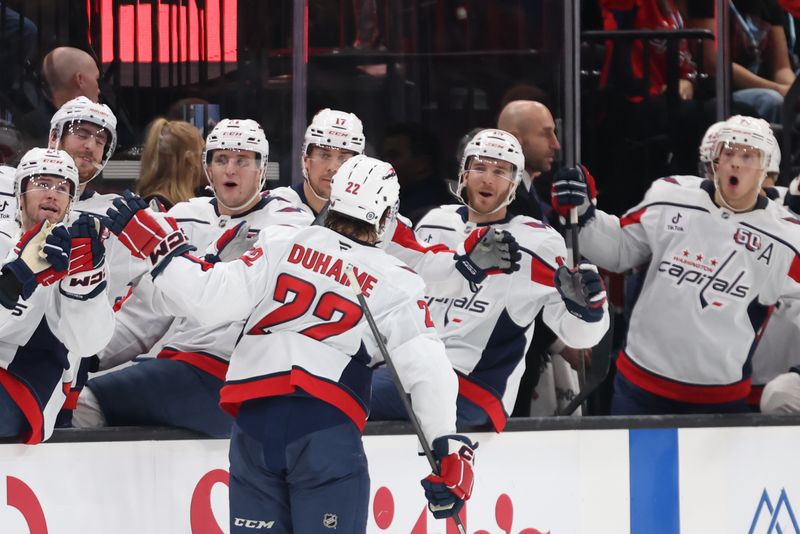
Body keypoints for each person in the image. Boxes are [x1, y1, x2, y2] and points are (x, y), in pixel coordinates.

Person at [102, 155, 477, 532]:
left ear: (334, 200)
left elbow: (209, 297)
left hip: (254, 426)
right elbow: (427, 369)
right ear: (385, 218)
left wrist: (161, 249)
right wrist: (447, 447)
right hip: (325, 428)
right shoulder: (398, 278)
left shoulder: (280, 239)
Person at [74, 119, 312, 437]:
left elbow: (221, 296)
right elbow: (148, 312)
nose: (231, 170)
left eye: (242, 161)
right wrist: (87, 356)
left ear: (262, 168)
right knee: (72, 393)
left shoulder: (289, 222)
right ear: (207, 168)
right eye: (221, 159)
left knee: (85, 403)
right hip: (183, 364)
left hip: (237, 373)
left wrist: (184, 256)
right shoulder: (185, 216)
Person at [552, 114, 800, 414]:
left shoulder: (787, 239)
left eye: (748, 155)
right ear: (715, 160)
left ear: (764, 169)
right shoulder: (670, 196)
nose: (736, 162)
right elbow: (620, 250)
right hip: (640, 386)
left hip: (721, 401)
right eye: (729, 152)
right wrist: (584, 214)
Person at [372, 129, 610, 430]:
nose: (487, 178)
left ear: (514, 183)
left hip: (474, 387)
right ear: (464, 174)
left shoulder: (537, 241)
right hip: (409, 369)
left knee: (346, 396)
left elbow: (577, 337)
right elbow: (406, 290)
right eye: (480, 167)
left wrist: (587, 314)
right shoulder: (436, 221)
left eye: (500, 171)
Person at [271, 108, 521, 297]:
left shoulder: (382, 218)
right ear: (306, 159)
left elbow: (422, 262)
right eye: (324, 154)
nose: (333, 167)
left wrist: (468, 261)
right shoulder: (271, 208)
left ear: (360, 162)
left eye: (344, 157)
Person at [0, 147, 112, 443]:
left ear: (71, 200)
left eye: (63, 188)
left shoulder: (83, 257)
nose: (52, 194)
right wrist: (16, 276)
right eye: (42, 184)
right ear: (20, 192)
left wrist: (85, 285)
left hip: (25, 388)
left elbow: (89, 343)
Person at [687, 0, 796, 123]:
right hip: (718, 92)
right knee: (771, 100)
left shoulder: (770, 4)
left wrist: (793, 91)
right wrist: (778, 89)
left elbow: (781, 68)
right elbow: (713, 64)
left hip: (765, 87)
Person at [497, 100, 561, 223]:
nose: (555, 144)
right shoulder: (505, 201)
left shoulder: (528, 190)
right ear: (514, 139)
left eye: (553, 133)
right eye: (545, 134)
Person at [135, 118, 207, 210]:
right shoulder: (156, 206)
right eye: (203, 153)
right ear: (190, 159)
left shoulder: (201, 195)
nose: (208, 162)